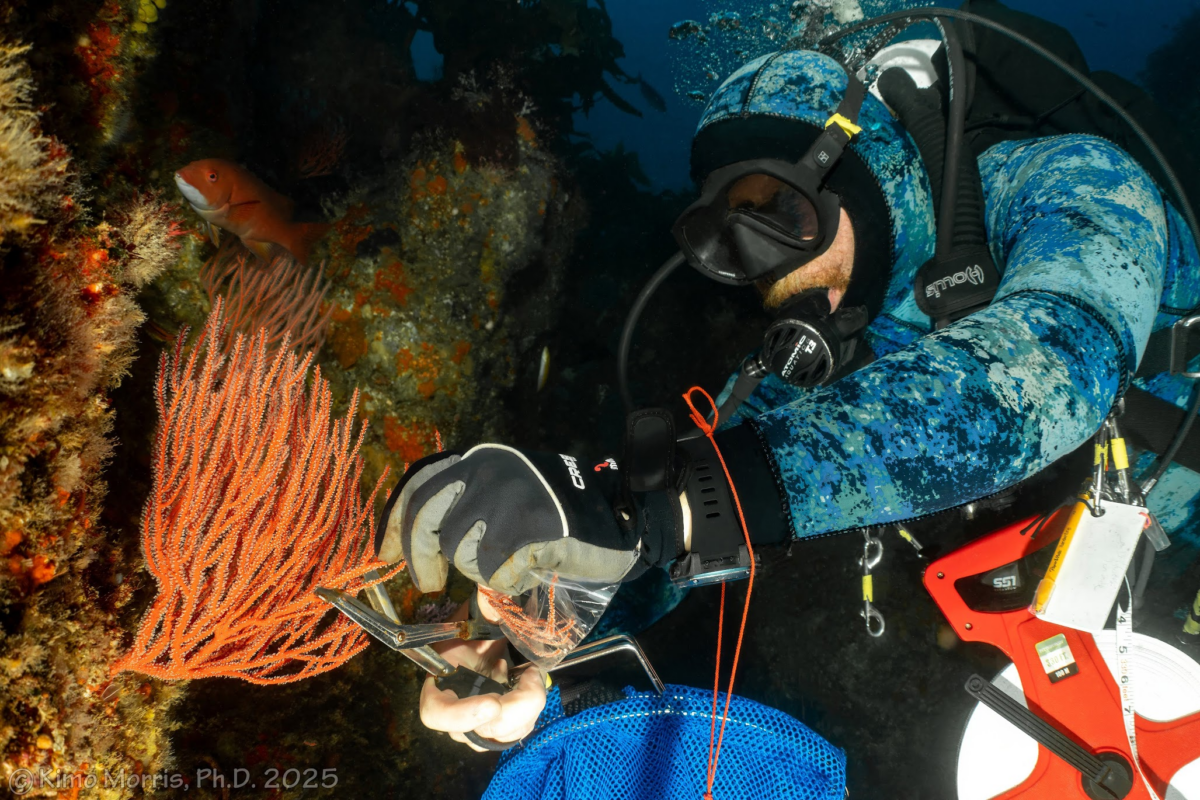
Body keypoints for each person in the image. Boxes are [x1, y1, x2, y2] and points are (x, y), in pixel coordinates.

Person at [375, 1, 1200, 752]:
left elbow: (1052, 372)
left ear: (856, 165)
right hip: (1089, 628)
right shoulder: (837, 330)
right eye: (729, 243)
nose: (768, 271)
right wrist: (539, 633)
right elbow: (674, 508)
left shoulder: (1071, 181)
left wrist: (682, 501)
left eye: (778, 214)